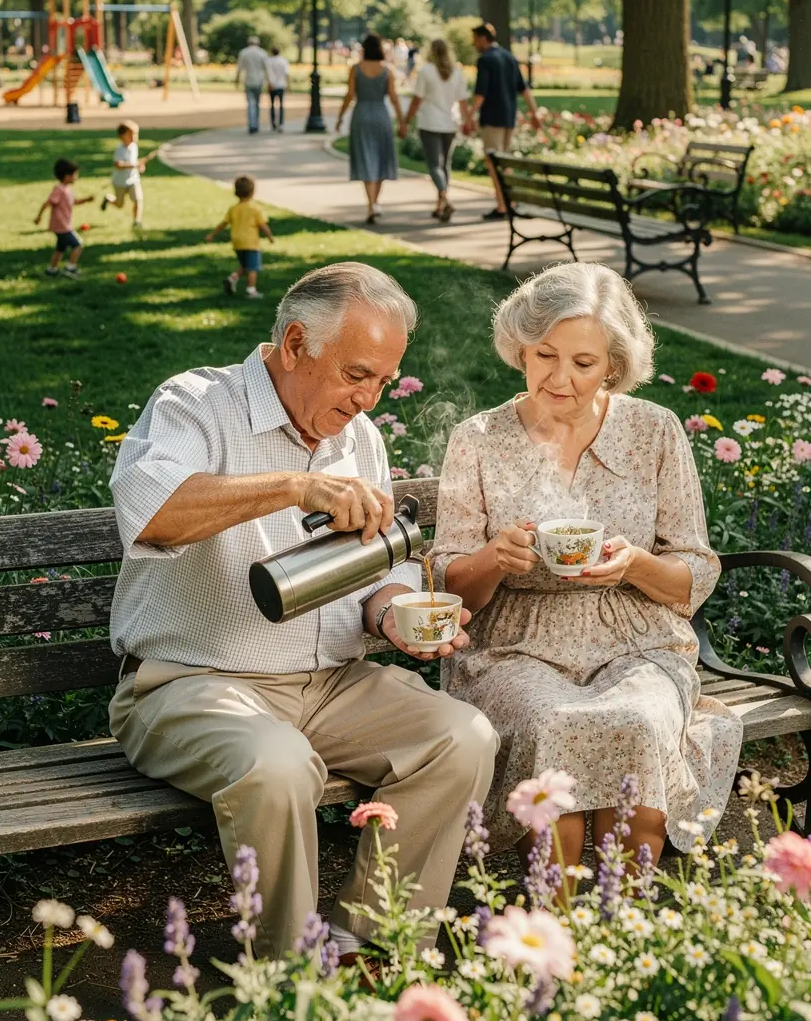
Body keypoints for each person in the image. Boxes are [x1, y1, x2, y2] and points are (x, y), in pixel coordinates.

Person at [107, 262, 497, 961]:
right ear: (294, 346)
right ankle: (289, 978)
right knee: (279, 763)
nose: (368, 399)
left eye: (382, 380)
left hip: (331, 685)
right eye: (356, 375)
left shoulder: (359, 439)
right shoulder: (194, 405)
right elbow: (153, 515)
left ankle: (372, 949)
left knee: (462, 735)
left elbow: (376, 568)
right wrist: (294, 487)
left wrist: (393, 613)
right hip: (191, 683)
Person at [430, 261, 742, 870]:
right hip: (514, 647)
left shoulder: (654, 430)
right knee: (555, 721)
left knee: (639, 722)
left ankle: (622, 925)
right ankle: (560, 927)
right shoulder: (479, 437)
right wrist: (494, 558)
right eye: (545, 355)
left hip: (639, 641)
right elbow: (450, 586)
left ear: (614, 367)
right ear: (520, 349)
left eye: (585, 363)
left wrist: (633, 565)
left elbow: (694, 572)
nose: (562, 379)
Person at [465, 23, 542, 221]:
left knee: (494, 163)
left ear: (483, 38)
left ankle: (502, 206)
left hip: (492, 118)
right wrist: (534, 113)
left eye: (475, 39)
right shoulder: (509, 57)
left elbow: (481, 93)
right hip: (508, 117)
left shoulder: (486, 60)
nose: (474, 44)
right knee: (505, 162)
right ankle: (510, 202)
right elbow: (523, 89)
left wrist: (471, 115)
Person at [335, 34, 403, 225]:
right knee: (381, 157)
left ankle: (371, 204)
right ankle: (376, 203)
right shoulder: (387, 70)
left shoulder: (356, 69)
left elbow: (349, 95)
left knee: (366, 157)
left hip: (362, 114)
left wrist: (340, 117)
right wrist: (402, 120)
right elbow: (394, 97)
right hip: (381, 115)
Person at [400, 38, 469, 223]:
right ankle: (440, 205)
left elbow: (417, 100)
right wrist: (468, 121)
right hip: (450, 123)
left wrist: (406, 121)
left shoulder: (426, 71)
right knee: (445, 164)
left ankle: (444, 199)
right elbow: (463, 101)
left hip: (430, 122)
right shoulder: (457, 72)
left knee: (434, 165)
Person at [205, 174, 275, 299]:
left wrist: (212, 234)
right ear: (252, 192)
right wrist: (270, 236)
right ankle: (251, 290)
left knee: (245, 265)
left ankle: (232, 279)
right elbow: (263, 225)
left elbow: (224, 223)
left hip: (237, 242)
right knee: (253, 268)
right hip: (250, 243)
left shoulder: (233, 209)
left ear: (236, 192)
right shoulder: (255, 209)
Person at [34, 157, 94, 278]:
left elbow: (73, 202)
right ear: (67, 176)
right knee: (77, 245)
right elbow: (48, 203)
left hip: (63, 225)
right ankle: (70, 268)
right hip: (62, 226)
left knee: (60, 248)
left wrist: (86, 200)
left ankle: (52, 270)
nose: (77, 177)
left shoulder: (67, 189)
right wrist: (39, 217)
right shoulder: (59, 189)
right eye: (75, 174)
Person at [101, 121, 147, 227]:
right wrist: (134, 165)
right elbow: (118, 165)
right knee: (119, 204)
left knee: (138, 199)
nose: (134, 137)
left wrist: (140, 167)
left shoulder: (134, 147)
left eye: (135, 134)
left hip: (133, 180)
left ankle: (137, 221)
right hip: (120, 182)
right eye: (131, 134)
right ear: (122, 136)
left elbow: (134, 161)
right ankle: (108, 198)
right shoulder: (119, 150)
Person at [236, 35, 271, 134]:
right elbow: (266, 69)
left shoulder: (244, 52)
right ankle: (256, 124)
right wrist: (269, 81)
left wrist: (237, 80)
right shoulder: (262, 53)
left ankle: (252, 124)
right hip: (259, 81)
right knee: (257, 103)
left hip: (248, 80)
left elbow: (239, 68)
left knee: (250, 103)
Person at [266, 46, 290, 133]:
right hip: (281, 85)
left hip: (272, 85)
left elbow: (267, 74)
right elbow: (287, 74)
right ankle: (281, 123)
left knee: (272, 105)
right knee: (281, 105)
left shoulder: (269, 61)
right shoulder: (283, 61)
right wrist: (289, 85)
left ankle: (273, 123)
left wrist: (268, 84)